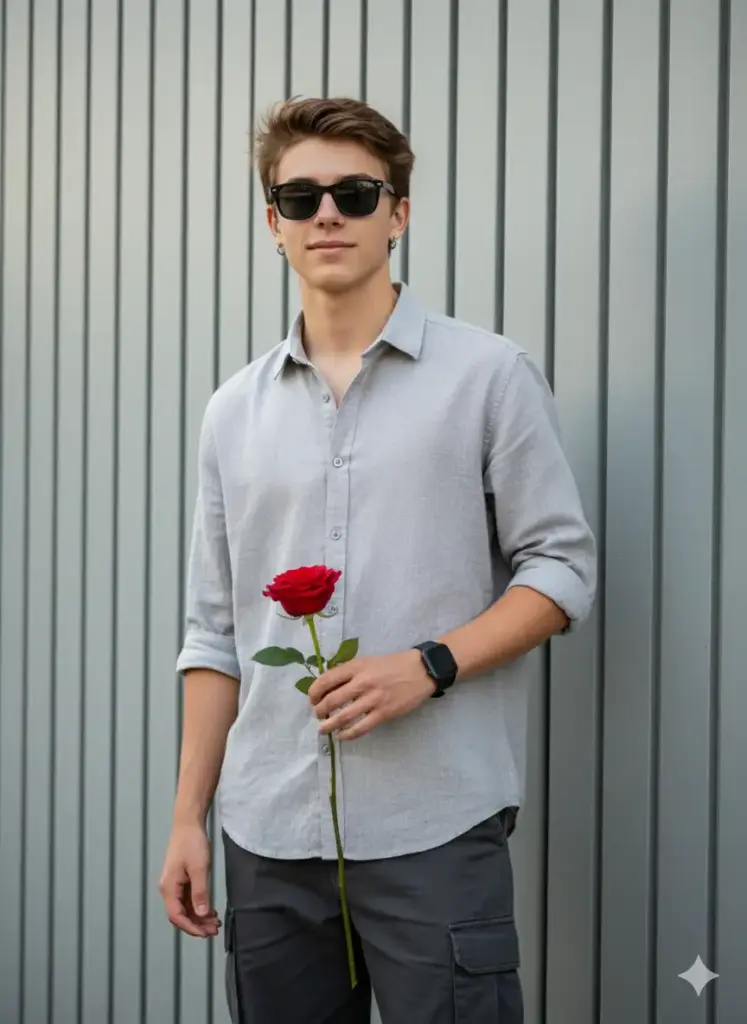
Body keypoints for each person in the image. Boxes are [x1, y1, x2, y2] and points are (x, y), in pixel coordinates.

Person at [159, 96, 596, 1024]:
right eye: (301, 196)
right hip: (267, 836)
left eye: (355, 194)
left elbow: (561, 571)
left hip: (434, 827)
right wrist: (188, 819)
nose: (328, 214)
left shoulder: (489, 377)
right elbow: (215, 634)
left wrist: (429, 665)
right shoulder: (231, 412)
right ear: (272, 222)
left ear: (397, 214)